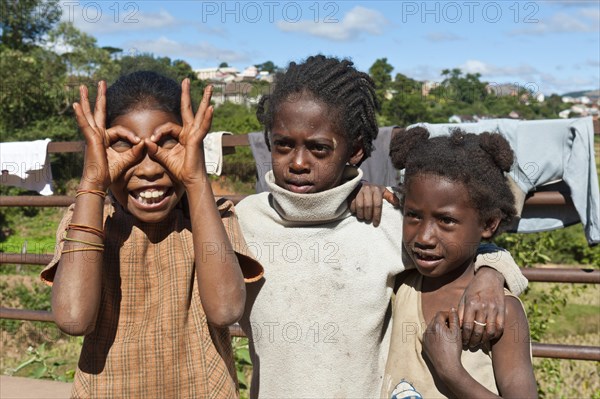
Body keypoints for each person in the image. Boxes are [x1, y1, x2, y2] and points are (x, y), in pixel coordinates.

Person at [235, 55, 528, 398]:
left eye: (318, 148)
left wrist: (492, 273)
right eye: (284, 144)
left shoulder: (386, 223)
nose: (298, 163)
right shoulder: (245, 221)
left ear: (356, 150)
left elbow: (465, 245)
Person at [41, 71, 263, 398]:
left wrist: (196, 179)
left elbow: (226, 310)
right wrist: (92, 182)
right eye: (122, 146)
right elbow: (73, 319)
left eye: (166, 144)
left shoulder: (212, 217)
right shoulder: (88, 220)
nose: (148, 169)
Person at [382, 128, 537, 398]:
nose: (424, 237)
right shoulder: (400, 281)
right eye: (413, 216)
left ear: (489, 223)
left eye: (446, 221)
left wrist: (451, 372)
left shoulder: (501, 311)